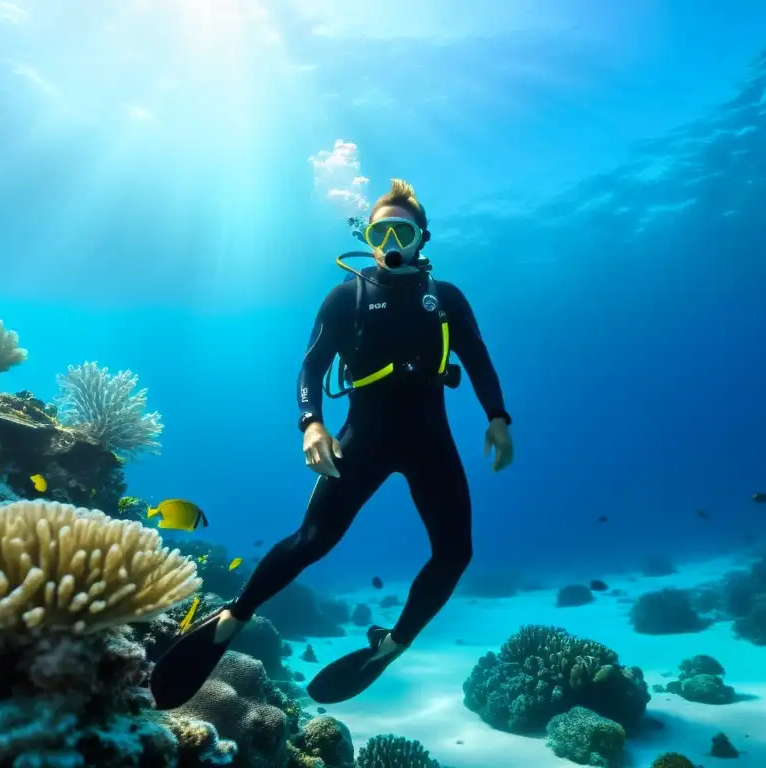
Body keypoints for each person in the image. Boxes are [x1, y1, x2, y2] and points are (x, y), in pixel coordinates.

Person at [150, 179, 513, 709]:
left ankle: (391, 646)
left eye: (402, 231)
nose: (391, 239)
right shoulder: (348, 296)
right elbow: (312, 365)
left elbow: (478, 360)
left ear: (422, 238)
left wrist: (497, 418)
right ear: (367, 238)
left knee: (456, 552)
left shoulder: (447, 299)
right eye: (380, 230)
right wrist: (311, 424)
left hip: (430, 441)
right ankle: (234, 616)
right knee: (313, 541)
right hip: (363, 438)